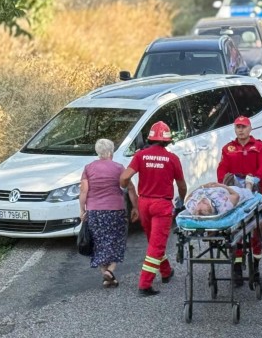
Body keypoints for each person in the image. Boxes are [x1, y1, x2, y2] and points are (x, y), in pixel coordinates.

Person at [120, 120, 187, 296]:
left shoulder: (141, 156)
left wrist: (126, 188)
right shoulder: (172, 159)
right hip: (162, 205)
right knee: (156, 246)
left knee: (154, 242)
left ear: (150, 138)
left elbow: (124, 178)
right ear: (167, 140)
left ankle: (166, 272)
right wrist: (182, 199)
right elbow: (181, 185)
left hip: (144, 203)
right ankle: (144, 285)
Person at [217, 116, 262, 285]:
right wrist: (224, 184)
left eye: (243, 127)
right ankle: (237, 268)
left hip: (255, 194)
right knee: (236, 232)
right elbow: (222, 169)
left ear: (250, 128)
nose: (240, 130)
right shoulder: (228, 149)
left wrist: (254, 179)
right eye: (238, 127)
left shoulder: (259, 147)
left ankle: (255, 267)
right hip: (236, 196)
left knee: (258, 233)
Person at [80, 137, 127, 288]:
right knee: (116, 240)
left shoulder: (88, 168)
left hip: (94, 210)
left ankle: (106, 277)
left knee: (98, 242)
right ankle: (110, 270)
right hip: (115, 210)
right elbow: (127, 186)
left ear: (97, 151)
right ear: (111, 151)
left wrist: (82, 210)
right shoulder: (118, 167)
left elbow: (83, 191)